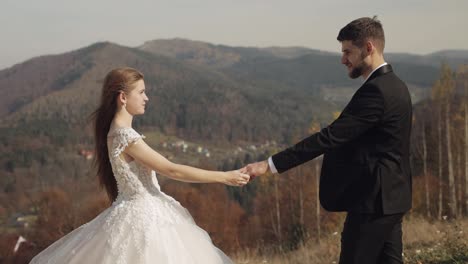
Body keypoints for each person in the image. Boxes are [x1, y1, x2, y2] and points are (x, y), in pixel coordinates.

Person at [30, 67, 249, 263]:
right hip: (145, 218)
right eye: (141, 92)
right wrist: (225, 177)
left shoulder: (116, 133)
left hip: (138, 211)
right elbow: (171, 169)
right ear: (123, 97)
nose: (147, 98)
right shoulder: (124, 136)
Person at [243, 16, 412, 264]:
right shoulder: (396, 85)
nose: (343, 59)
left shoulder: (376, 91)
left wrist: (269, 164)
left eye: (347, 52)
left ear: (368, 48)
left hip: (372, 201)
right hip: (393, 198)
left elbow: (329, 137)